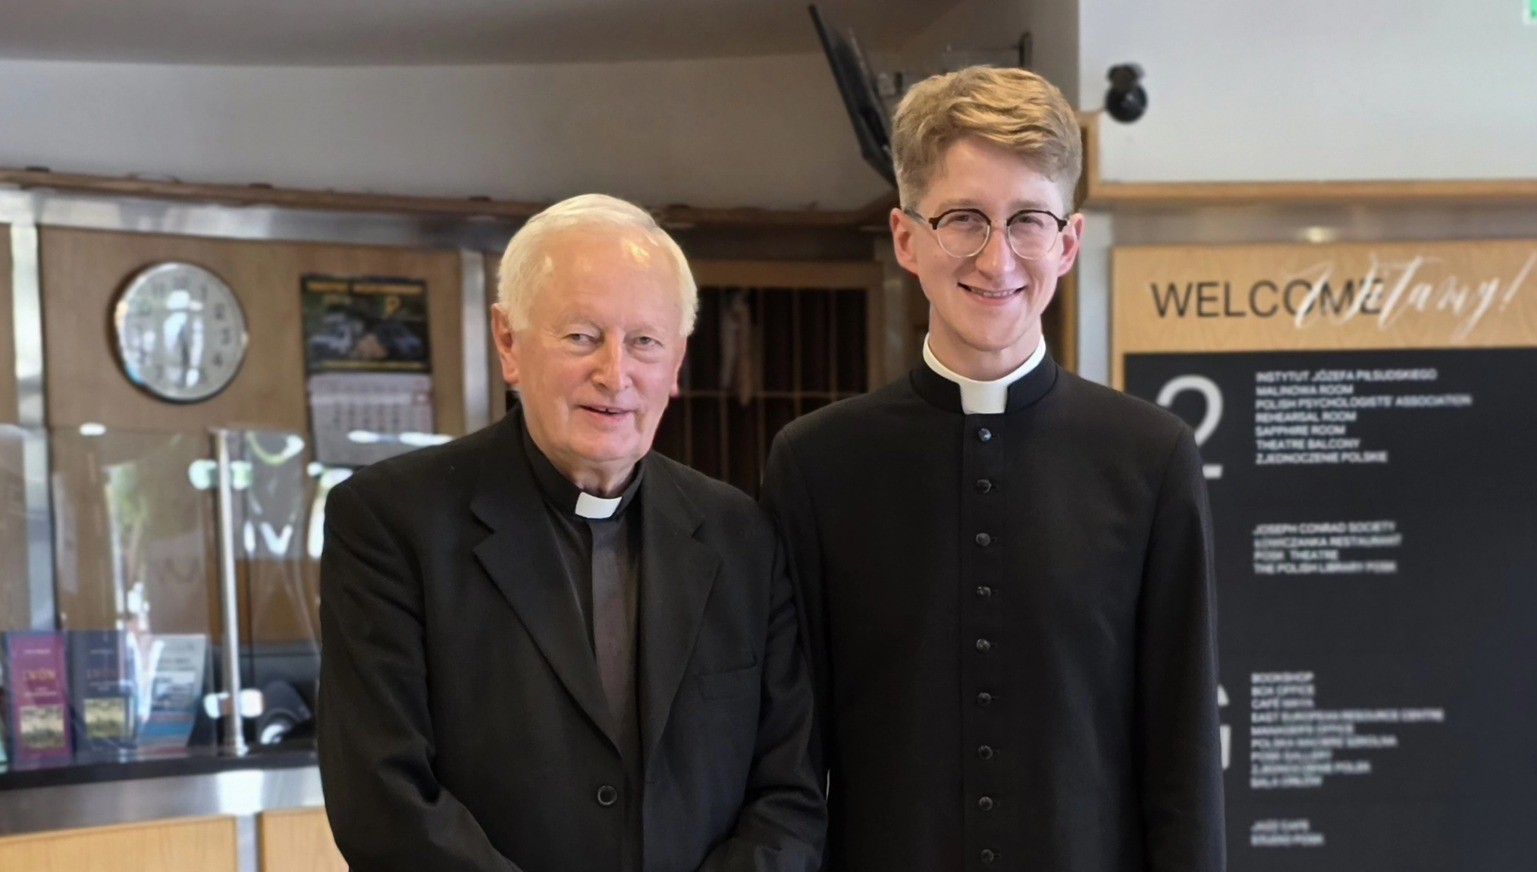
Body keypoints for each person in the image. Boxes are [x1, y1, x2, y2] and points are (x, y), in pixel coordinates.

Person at [761, 67, 1224, 871]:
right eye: (964, 218)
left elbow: (1182, 757)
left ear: (1068, 242)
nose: (997, 255)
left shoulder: (1151, 458)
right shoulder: (816, 464)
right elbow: (792, 760)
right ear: (908, 238)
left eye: (1028, 221)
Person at [319, 194, 825, 872]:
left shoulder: (741, 537)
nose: (615, 375)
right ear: (508, 340)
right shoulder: (391, 521)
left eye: (644, 342)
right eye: (581, 336)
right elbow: (384, 801)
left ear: (676, 362)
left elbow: (788, 794)